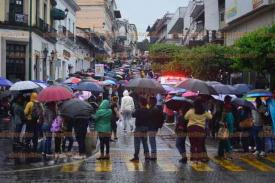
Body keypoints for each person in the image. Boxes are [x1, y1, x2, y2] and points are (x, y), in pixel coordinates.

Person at [185, 99, 212, 163]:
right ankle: (200, 159)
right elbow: (210, 117)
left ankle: (194, 159)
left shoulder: (191, 111)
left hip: (191, 128)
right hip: (200, 129)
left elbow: (185, 117)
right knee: (199, 144)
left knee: (193, 144)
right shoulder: (204, 111)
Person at [130, 97, 150, 162]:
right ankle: (147, 157)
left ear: (140, 103)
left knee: (137, 143)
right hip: (145, 128)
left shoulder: (138, 110)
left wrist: (133, 110)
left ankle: (136, 157)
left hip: (138, 128)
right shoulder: (148, 110)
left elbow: (133, 115)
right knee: (145, 142)